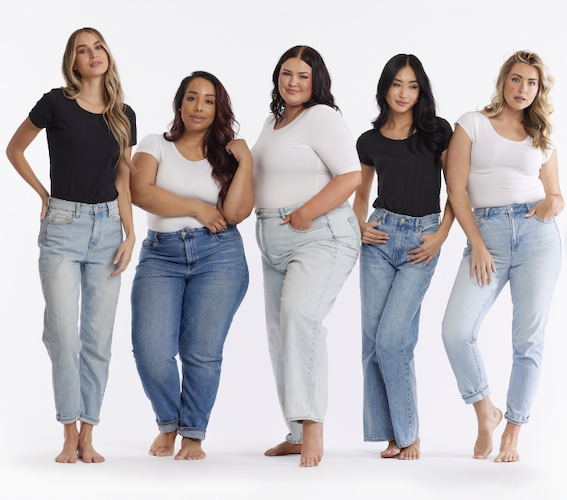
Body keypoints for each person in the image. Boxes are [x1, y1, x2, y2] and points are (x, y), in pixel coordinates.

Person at [6, 27, 136, 463]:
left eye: (98, 47)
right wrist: (44, 194)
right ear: (73, 62)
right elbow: (15, 149)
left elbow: (124, 179)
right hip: (62, 228)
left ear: (106, 55)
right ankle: (66, 431)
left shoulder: (124, 114)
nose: (93, 54)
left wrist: (130, 232)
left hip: (108, 231)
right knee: (63, 335)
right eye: (83, 50)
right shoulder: (55, 103)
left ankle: (88, 434)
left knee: (98, 338)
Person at [442, 51, 562, 463]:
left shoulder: (542, 134)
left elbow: (555, 192)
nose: (522, 89)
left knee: (528, 339)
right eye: (516, 80)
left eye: (531, 83)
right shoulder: (472, 123)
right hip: (486, 234)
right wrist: (475, 241)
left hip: (537, 237)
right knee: (456, 331)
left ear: (538, 89)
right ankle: (485, 411)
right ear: (503, 81)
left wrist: (554, 203)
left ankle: (514, 428)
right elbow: (456, 189)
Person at [130, 71, 253, 461]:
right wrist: (199, 207)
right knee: (150, 348)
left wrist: (246, 162)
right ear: (179, 103)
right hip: (160, 255)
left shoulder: (228, 157)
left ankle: (193, 435)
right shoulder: (154, 145)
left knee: (201, 351)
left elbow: (234, 213)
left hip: (218, 256)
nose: (199, 107)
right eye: (191, 98)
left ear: (219, 109)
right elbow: (140, 192)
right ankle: (168, 423)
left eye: (209, 100)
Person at [252, 45, 361, 467]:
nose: (292, 82)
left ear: (316, 81)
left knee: (301, 319)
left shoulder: (322, 117)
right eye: (286, 73)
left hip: (320, 235)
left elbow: (351, 174)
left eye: (302, 75)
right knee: (280, 334)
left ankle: (313, 426)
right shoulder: (272, 121)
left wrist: (304, 213)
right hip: (273, 239)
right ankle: (295, 432)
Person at [353, 54, 453, 460]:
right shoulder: (369, 140)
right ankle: (389, 433)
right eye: (397, 84)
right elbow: (361, 195)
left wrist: (440, 237)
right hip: (378, 238)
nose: (404, 93)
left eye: (412, 86)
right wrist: (359, 224)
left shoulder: (437, 133)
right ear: (385, 87)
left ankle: (408, 434)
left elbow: (457, 191)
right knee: (373, 341)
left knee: (394, 339)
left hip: (422, 239)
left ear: (420, 90)